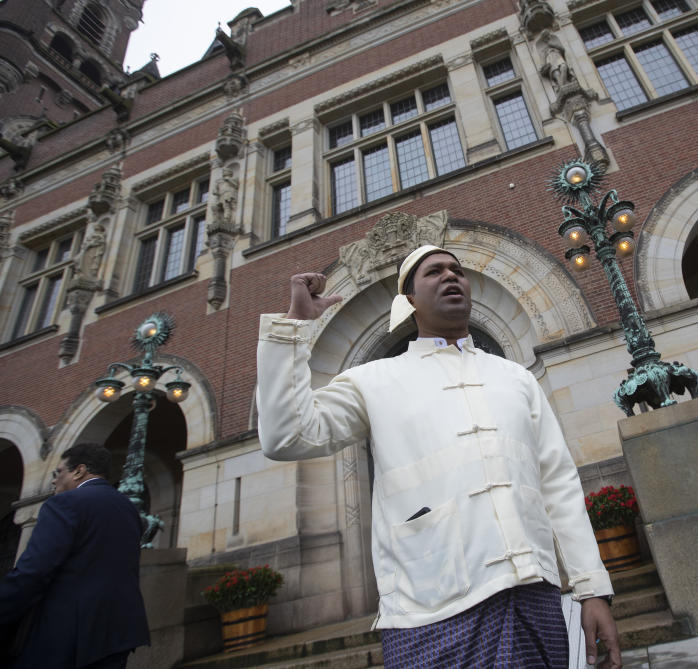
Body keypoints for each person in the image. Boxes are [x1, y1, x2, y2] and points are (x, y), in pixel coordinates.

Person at [257, 245, 622, 668]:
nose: (451, 276)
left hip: (533, 597)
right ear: (408, 301)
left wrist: (592, 589)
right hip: (427, 609)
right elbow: (286, 436)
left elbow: (559, 484)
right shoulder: (372, 380)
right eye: (434, 272)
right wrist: (294, 327)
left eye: (457, 270)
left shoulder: (516, 379)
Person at [0, 443, 150, 669]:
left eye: (58, 472)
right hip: (118, 633)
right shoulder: (129, 509)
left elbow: (34, 570)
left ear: (79, 471)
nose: (53, 481)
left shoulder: (64, 503)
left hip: (65, 634)